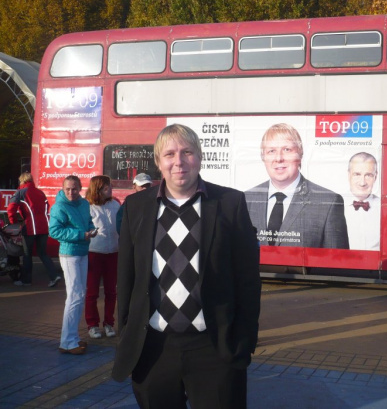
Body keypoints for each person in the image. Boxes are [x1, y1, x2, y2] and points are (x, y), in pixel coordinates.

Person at [112, 124, 261, 408]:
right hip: (153, 349)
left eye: (187, 152)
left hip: (214, 348)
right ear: (158, 163)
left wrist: (243, 343)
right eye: (169, 154)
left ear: (199, 157)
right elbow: (127, 279)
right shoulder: (136, 207)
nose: (178, 161)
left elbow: (248, 281)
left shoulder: (230, 203)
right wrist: (126, 338)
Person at [245, 123, 349, 249]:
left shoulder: (329, 203)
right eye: (271, 151)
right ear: (263, 157)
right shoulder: (245, 200)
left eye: (287, 150)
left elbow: (337, 264)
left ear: (300, 154)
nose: (278, 158)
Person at [49, 175, 97, 355]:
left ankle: (73, 338)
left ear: (80, 188)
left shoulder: (84, 204)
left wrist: (91, 230)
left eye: (74, 188)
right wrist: (81, 235)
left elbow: (88, 222)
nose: (71, 192)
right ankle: (67, 342)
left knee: (79, 295)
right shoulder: (59, 206)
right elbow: (54, 231)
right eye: (67, 189)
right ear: (63, 189)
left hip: (82, 252)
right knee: (75, 296)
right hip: (69, 254)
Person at [7, 172, 61, 287]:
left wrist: (14, 223)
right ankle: (54, 276)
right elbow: (47, 207)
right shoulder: (40, 192)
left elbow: (11, 208)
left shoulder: (20, 192)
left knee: (27, 254)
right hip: (43, 227)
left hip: (30, 227)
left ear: (22, 181)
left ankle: (26, 280)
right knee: (43, 253)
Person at [85, 175, 120, 339]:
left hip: (114, 252)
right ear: (97, 189)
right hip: (94, 253)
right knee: (92, 292)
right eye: (106, 187)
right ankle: (92, 325)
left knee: (111, 291)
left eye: (110, 186)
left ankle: (109, 323)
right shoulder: (88, 206)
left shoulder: (115, 204)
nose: (110, 189)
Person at [344, 152, 380, 251]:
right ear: (349, 175)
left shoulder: (385, 208)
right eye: (357, 174)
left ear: (375, 177)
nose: (362, 182)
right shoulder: (334, 207)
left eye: (368, 175)